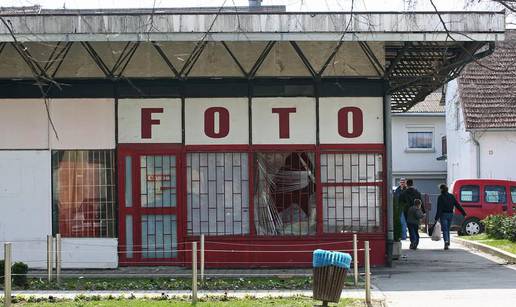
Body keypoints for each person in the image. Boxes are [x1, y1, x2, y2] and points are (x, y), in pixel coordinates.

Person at [435, 184, 467, 250]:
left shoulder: (440, 197)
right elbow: (457, 205)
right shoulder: (451, 196)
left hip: (443, 215)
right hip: (450, 214)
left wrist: (436, 217)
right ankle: (448, 242)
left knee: (445, 229)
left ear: (441, 189)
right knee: (448, 229)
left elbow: (439, 208)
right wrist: (464, 213)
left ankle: (446, 241)